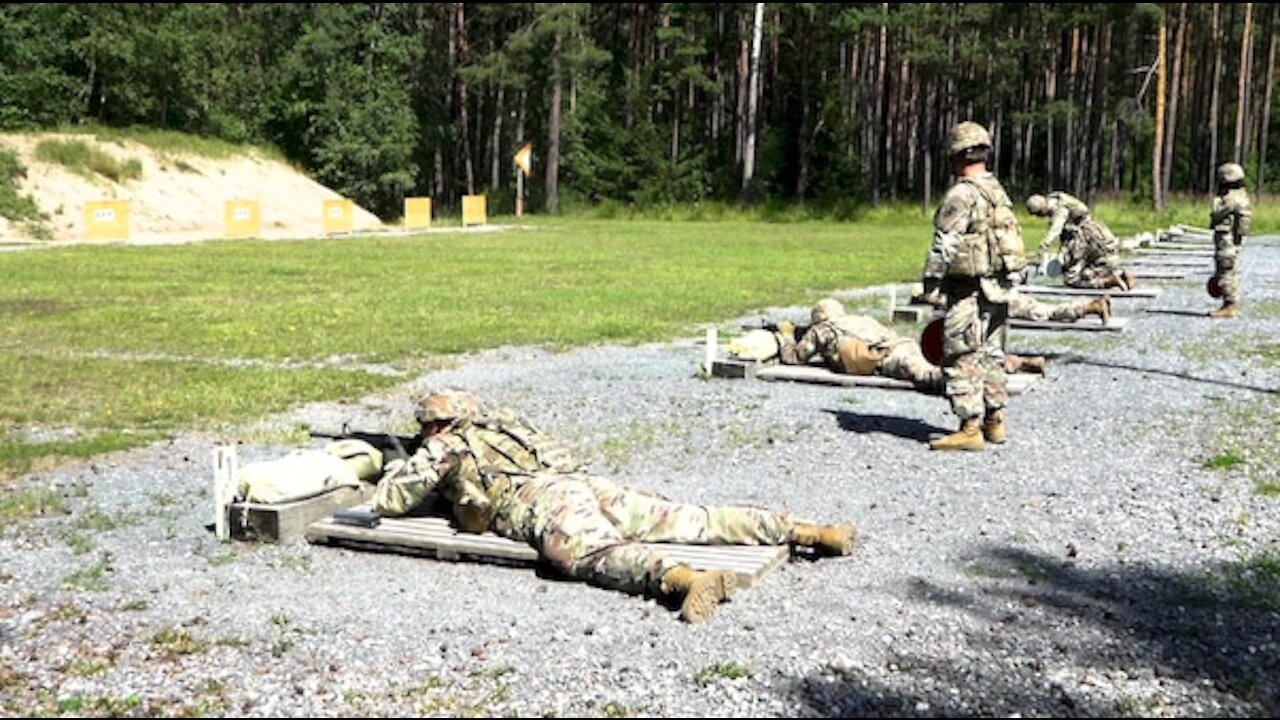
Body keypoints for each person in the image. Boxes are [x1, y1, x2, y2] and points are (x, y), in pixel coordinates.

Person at [370, 389, 856, 624]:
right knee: (688, 517)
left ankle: (683, 579)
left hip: (543, 498)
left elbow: (392, 500)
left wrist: (404, 462)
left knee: (587, 553)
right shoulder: (502, 422)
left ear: (436, 424)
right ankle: (808, 531)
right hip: (583, 481)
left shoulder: (446, 445)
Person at [920, 121, 1026, 452]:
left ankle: (969, 428)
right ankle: (994, 421)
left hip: (970, 288)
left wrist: (930, 283)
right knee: (992, 352)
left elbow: (945, 243)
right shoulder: (996, 189)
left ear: (957, 155)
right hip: (999, 286)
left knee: (961, 352)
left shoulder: (962, 193)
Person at [775, 298, 1047, 393]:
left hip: (890, 357)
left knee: (935, 377)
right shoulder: (858, 318)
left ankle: (999, 369)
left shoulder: (823, 330)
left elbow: (794, 358)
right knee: (945, 364)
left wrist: (786, 336)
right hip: (901, 344)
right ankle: (1008, 362)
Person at [1025, 191, 1136, 291]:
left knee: (1072, 279)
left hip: (1083, 238)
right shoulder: (1060, 200)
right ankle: (1122, 275)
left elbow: (1057, 228)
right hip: (1094, 235)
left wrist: (1045, 244)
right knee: (1092, 265)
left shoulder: (1059, 209)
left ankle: (1110, 281)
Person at [1208, 162, 1252, 318]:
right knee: (1226, 270)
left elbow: (1216, 213)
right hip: (1231, 239)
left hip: (1227, 240)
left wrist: (1217, 198)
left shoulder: (1231, 198)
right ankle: (1228, 304)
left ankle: (1229, 305)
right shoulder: (1242, 196)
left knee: (1226, 271)